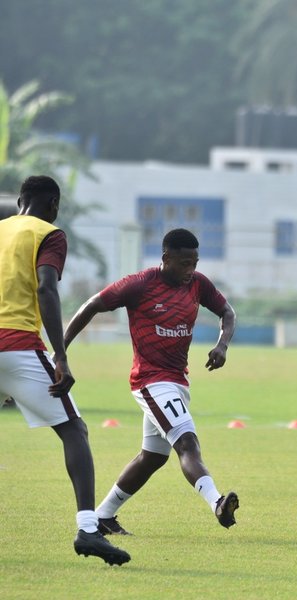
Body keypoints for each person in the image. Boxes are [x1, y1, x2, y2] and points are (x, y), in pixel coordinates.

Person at [64, 228, 239, 535]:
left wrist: (222, 345)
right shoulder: (139, 285)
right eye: (184, 263)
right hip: (150, 381)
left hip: (177, 381)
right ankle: (217, 503)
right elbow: (91, 305)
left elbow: (227, 312)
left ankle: (103, 517)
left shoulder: (198, 284)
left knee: (153, 457)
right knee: (187, 442)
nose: (190, 270)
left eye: (195, 263)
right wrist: (60, 351)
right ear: (166, 258)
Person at [0, 175, 130, 565]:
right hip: (16, 343)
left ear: (19, 201)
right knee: (74, 429)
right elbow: (46, 288)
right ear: (53, 204)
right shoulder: (50, 234)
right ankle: (88, 529)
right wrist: (60, 354)